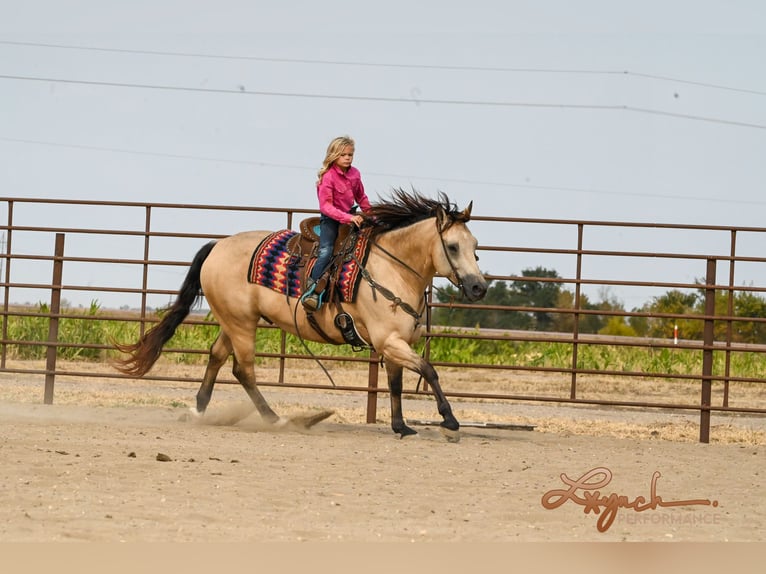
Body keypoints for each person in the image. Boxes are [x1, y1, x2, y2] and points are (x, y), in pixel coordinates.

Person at [301, 135, 371, 311]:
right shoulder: (328, 177)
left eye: (350, 154)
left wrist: (371, 215)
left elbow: (361, 196)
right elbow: (325, 206)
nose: (348, 158)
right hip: (331, 220)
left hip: (351, 217)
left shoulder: (355, 174)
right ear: (334, 155)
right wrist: (348, 218)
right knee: (326, 251)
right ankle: (312, 289)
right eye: (343, 155)